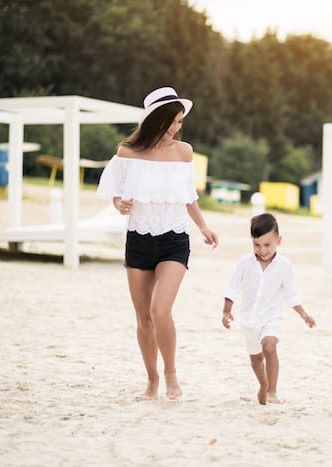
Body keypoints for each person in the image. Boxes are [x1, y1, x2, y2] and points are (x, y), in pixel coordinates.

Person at [96, 86, 219, 401]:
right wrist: (118, 203)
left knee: (160, 310)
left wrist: (204, 227)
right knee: (144, 318)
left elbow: (187, 197)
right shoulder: (127, 152)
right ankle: (151, 381)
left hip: (174, 239)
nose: (177, 129)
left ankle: (171, 372)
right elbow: (114, 190)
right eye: (173, 122)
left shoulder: (184, 153)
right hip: (138, 238)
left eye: (180, 122)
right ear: (156, 121)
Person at [221, 213, 315, 405]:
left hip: (271, 317)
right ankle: (263, 385)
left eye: (267, 245)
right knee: (256, 359)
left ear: (278, 241)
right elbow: (233, 287)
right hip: (249, 320)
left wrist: (303, 314)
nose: (262, 250)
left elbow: (290, 294)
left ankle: (272, 391)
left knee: (269, 346)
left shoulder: (284, 265)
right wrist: (226, 310)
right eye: (257, 245)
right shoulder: (244, 263)